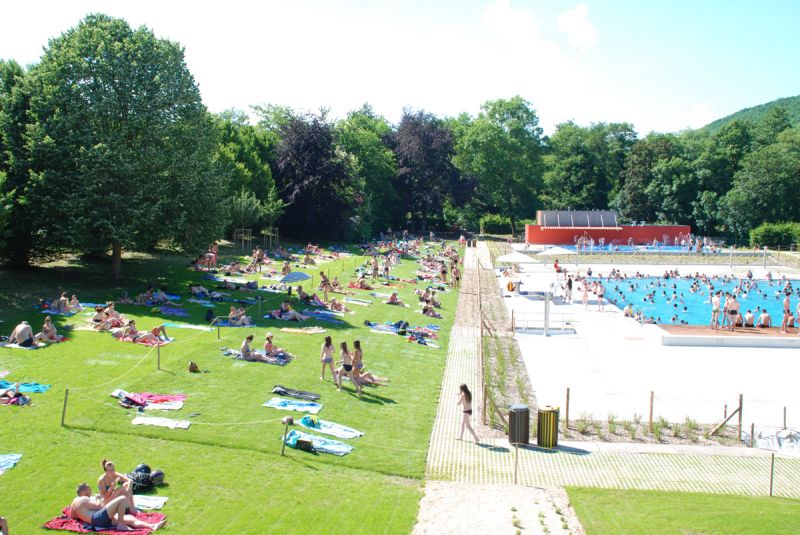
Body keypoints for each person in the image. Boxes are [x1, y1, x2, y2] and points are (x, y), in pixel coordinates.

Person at [70, 482, 165, 531]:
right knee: (122, 499)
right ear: (84, 491)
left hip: (98, 521)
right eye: (89, 489)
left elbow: (73, 516)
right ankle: (120, 524)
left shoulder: (74, 503)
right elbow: (100, 506)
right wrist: (98, 498)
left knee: (129, 519)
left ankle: (152, 526)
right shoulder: (83, 499)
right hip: (98, 518)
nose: (91, 491)